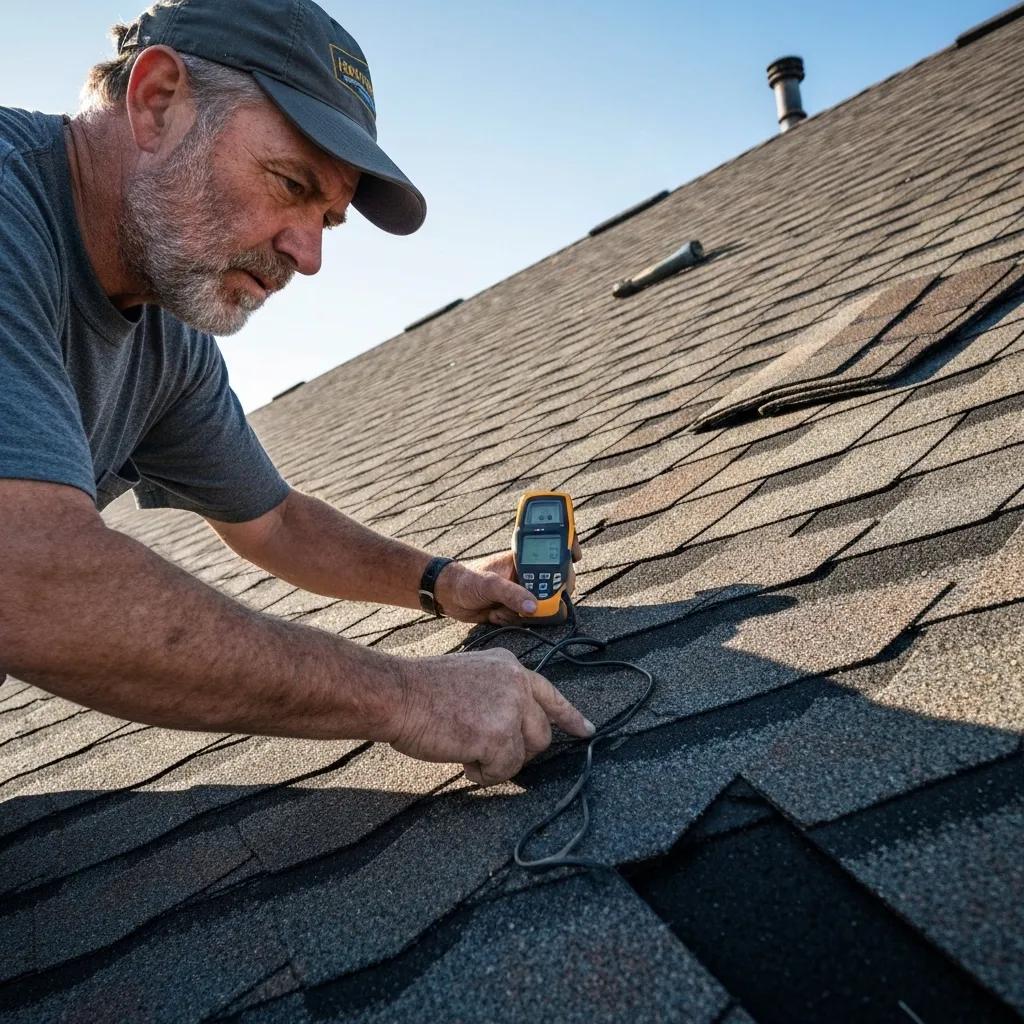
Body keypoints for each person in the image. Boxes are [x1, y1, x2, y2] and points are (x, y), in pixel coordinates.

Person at [0, 0, 594, 788]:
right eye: (289, 183)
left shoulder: (167, 335)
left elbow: (274, 522)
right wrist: (405, 695)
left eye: (328, 219)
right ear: (156, 102)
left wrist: (447, 583)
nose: (307, 255)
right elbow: (31, 572)